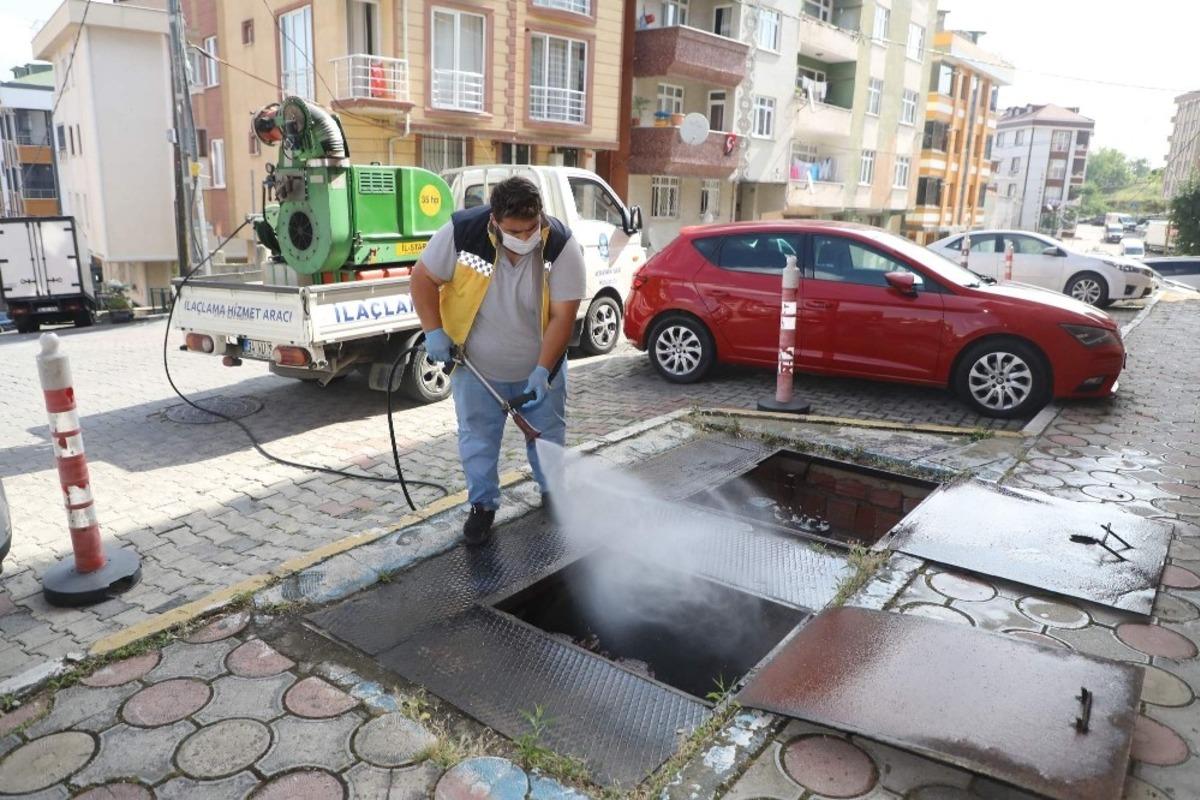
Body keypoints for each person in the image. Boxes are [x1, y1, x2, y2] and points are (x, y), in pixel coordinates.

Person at [411, 176, 586, 546]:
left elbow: (563, 317)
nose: (525, 237)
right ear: (495, 220)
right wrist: (433, 331)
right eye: (514, 230)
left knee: (547, 437)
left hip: (538, 369)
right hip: (477, 368)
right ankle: (483, 507)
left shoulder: (561, 246)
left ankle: (553, 492)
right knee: (477, 440)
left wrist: (542, 370)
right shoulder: (463, 233)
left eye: (531, 228)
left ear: (541, 216)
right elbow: (423, 277)